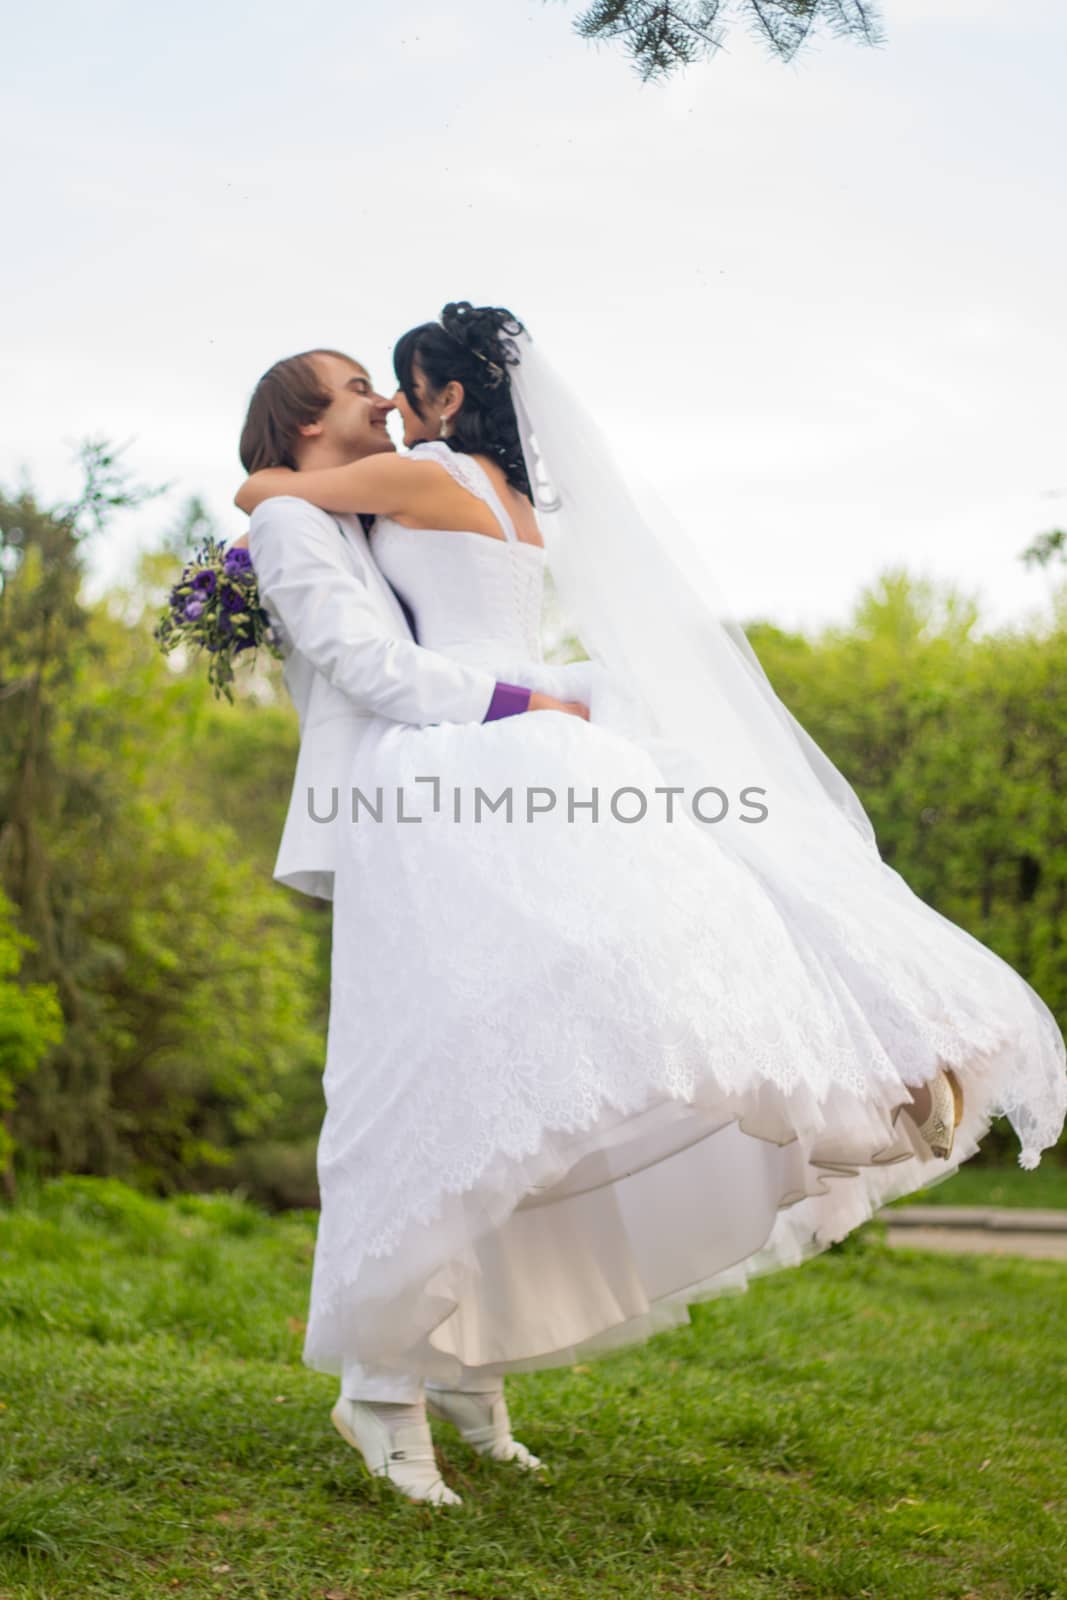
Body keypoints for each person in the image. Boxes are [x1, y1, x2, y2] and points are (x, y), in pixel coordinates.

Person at [236, 303, 1067, 1510]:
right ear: (310, 413)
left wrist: (270, 481)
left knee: (549, 1042)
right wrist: (554, 700)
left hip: (485, 765)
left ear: (447, 398)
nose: (381, 400)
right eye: (355, 385)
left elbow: (272, 498)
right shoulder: (408, 500)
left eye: (392, 382)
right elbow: (361, 654)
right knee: (470, 1057)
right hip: (442, 786)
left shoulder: (394, 484)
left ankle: (467, 1360)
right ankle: (394, 1379)